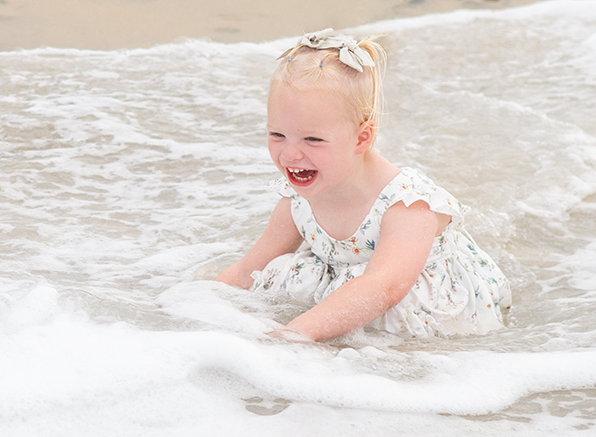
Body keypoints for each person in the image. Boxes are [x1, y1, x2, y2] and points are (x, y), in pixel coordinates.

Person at [217, 30, 509, 341]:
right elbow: (248, 268)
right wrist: (197, 305)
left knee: (382, 320)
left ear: (362, 138)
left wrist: (296, 334)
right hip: (351, 284)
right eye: (277, 135)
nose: (289, 153)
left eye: (312, 139)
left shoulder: (407, 204)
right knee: (276, 273)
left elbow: (385, 287)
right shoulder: (297, 199)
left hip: (408, 297)